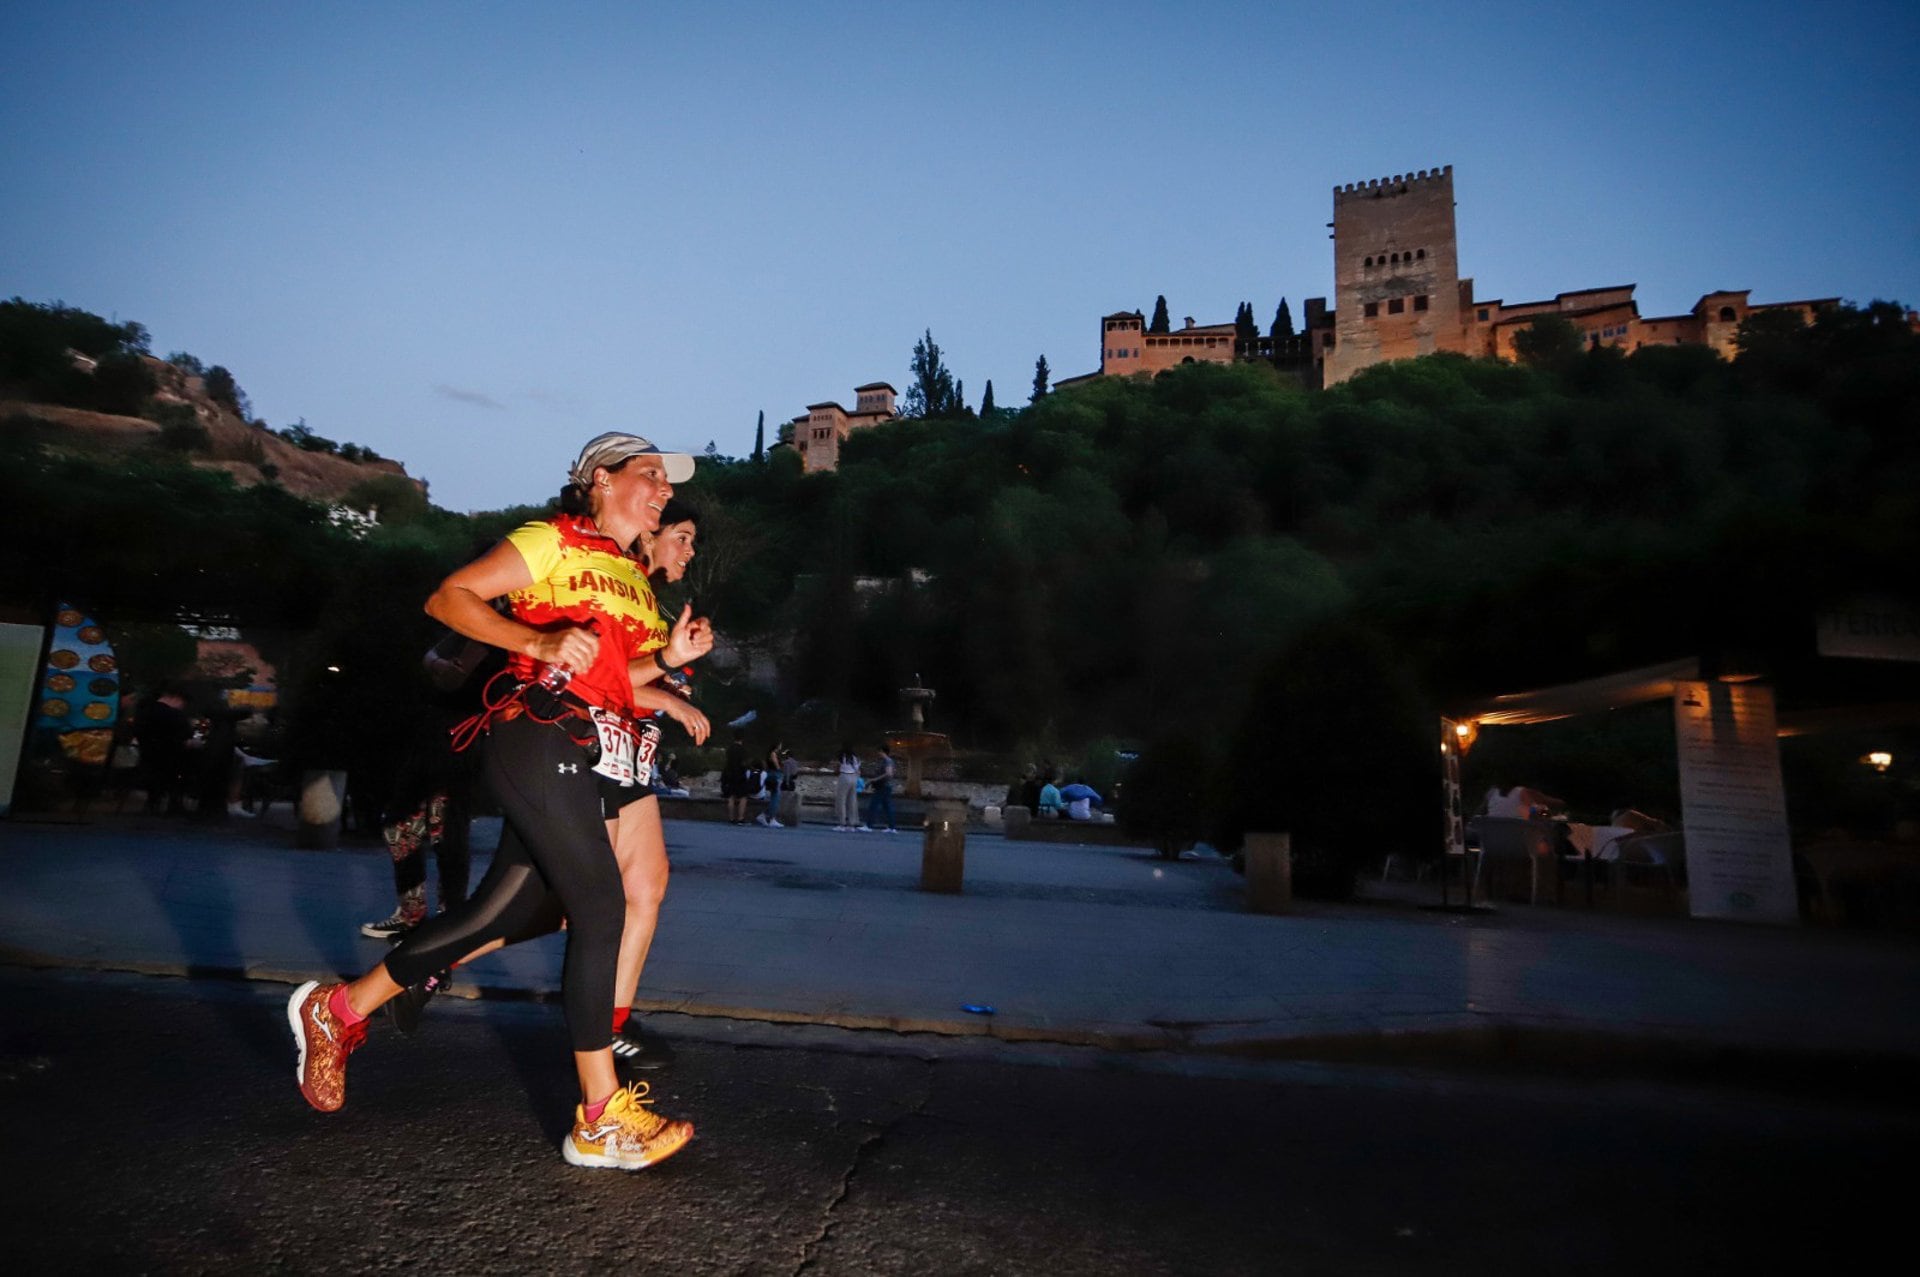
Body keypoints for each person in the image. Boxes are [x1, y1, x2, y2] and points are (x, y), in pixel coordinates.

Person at [287, 431, 709, 1173]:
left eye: (667, 482)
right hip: (535, 736)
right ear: (600, 480)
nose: (664, 489)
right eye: (651, 474)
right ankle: (600, 1116)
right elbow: (448, 597)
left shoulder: (633, 579)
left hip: (583, 747)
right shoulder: (549, 540)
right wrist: (537, 644)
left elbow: (613, 675)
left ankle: (341, 1008)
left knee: (508, 914)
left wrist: (669, 664)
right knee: (603, 906)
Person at [359, 626, 500, 940]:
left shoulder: (503, 626)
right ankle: (413, 914)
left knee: (446, 828)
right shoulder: (470, 623)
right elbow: (431, 657)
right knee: (399, 824)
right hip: (432, 731)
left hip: (465, 736)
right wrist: (439, 665)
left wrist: (441, 668)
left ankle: (450, 923)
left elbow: (455, 678)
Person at [134, 687, 191, 815]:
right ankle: (175, 802)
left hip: (147, 756)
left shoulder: (143, 712)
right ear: (177, 699)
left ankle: (153, 802)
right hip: (171, 758)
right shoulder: (176, 715)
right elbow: (186, 737)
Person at [863, 742, 898, 833]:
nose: (878, 753)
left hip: (883, 786)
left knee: (873, 805)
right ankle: (892, 827)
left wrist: (874, 779)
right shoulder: (888, 761)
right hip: (886, 786)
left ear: (882, 751)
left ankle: (869, 825)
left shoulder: (887, 761)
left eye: (879, 752)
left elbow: (888, 773)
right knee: (887, 806)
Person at [720, 729, 751, 825]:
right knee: (743, 797)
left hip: (730, 774)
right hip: (740, 775)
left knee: (731, 796)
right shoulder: (743, 750)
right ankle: (740, 818)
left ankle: (731, 818)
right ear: (742, 738)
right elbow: (744, 763)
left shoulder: (729, 749)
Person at [756, 740, 786, 827]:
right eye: (780, 745)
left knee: (775, 797)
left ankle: (766, 816)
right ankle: (771, 818)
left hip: (772, 774)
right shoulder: (773, 754)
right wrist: (781, 768)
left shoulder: (770, 753)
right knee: (776, 797)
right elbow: (776, 766)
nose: (781, 746)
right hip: (775, 775)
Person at [832, 742, 861, 831]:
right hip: (854, 777)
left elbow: (837, 769)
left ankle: (842, 823)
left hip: (844, 776)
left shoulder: (842, 756)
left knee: (841, 801)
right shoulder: (855, 758)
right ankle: (852, 824)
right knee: (852, 801)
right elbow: (858, 770)